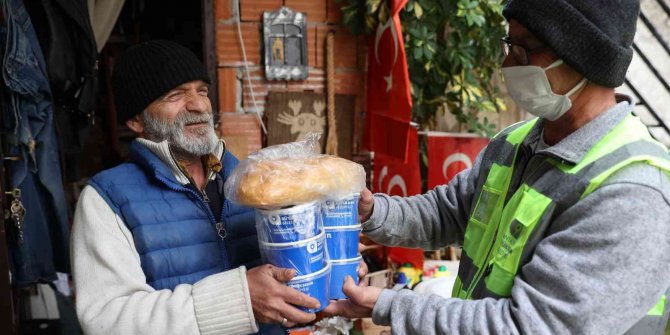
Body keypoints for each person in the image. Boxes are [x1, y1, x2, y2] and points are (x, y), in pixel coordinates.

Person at [324, 0, 670, 334]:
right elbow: (451, 212)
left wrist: (389, 304)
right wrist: (371, 211)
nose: (507, 65)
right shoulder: (516, 143)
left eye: (524, 49)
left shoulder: (630, 192)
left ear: (583, 55)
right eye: (509, 44)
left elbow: (528, 326)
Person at [71, 40, 321, 335]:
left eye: (202, 90)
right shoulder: (106, 199)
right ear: (136, 120)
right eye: (175, 95)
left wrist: (328, 278)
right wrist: (238, 301)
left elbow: (291, 274)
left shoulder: (252, 181)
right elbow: (108, 321)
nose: (199, 105)